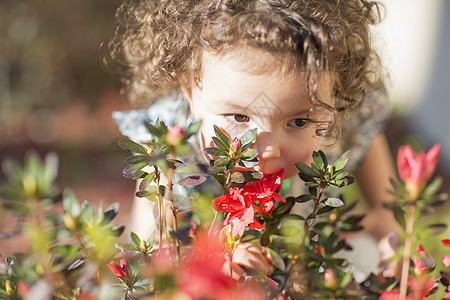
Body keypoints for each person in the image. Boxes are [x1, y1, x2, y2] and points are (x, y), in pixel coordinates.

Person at [109, 0, 400, 280]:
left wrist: (384, 213)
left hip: (306, 257)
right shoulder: (169, 155)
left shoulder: (336, 116)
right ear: (187, 87)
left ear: (336, 98)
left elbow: (363, 129)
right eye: (238, 118)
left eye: (300, 121)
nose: (269, 148)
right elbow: (156, 254)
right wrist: (217, 263)